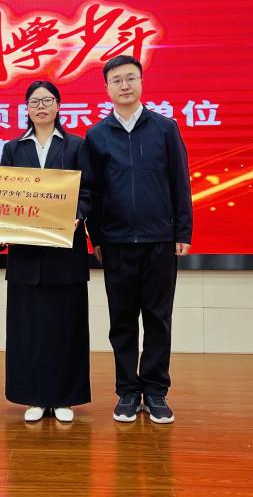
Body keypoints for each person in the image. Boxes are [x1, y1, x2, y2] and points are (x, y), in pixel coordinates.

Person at [84, 55, 193, 424]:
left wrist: (183, 231)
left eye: (131, 78)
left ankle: (156, 391)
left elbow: (180, 181)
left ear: (141, 82)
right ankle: (128, 392)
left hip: (159, 240)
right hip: (115, 243)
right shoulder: (97, 136)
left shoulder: (165, 128)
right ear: (107, 89)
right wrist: (96, 238)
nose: (125, 85)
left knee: (159, 318)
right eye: (117, 80)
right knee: (122, 321)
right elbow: (93, 191)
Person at [0, 80, 91, 423]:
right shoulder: (13, 148)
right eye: (34, 101)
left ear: (58, 106)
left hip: (65, 251)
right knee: (29, 329)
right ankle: (34, 397)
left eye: (47, 100)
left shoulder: (77, 146)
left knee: (66, 326)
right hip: (26, 255)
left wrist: (77, 215)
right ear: (26, 108)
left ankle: (64, 398)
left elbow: (89, 191)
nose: (41, 106)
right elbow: (2, 196)